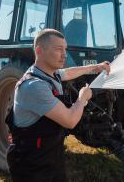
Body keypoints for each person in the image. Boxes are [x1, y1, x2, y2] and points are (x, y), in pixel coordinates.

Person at [6, 29, 110, 182]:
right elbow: (70, 120)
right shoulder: (34, 86)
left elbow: (67, 73)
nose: (64, 54)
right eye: (58, 49)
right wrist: (82, 99)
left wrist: (95, 68)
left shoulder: (50, 74)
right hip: (31, 166)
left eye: (65, 49)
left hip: (50, 157)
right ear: (39, 51)